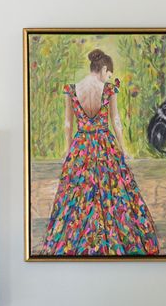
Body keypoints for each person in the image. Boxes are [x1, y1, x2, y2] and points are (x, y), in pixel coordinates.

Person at [42, 48, 159, 256]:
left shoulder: (72, 89)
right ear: (103, 68)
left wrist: (69, 151)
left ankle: (78, 240)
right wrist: (123, 150)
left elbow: (68, 124)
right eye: (109, 74)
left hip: (81, 147)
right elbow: (115, 121)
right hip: (105, 146)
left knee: (78, 195)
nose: (109, 78)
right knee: (114, 193)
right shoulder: (108, 89)